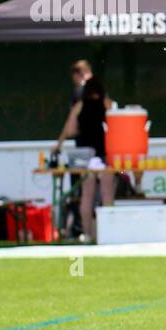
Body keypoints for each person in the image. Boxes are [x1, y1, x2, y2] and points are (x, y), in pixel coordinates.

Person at [53, 75, 114, 243]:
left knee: (87, 195)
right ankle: (108, 233)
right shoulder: (107, 105)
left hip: (85, 156)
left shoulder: (79, 106)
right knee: (106, 194)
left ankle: (87, 234)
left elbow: (70, 129)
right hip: (104, 154)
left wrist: (59, 144)